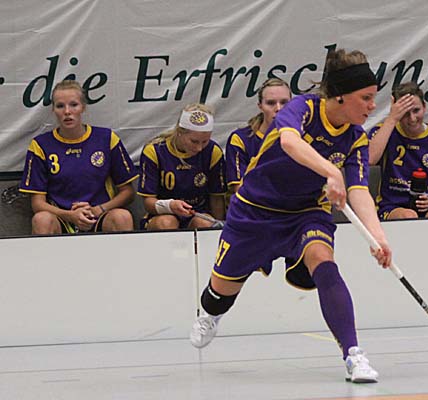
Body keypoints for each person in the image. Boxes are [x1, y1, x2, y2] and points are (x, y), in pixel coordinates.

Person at [189, 49, 392, 383]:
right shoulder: (302, 108)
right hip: (255, 211)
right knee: (218, 295)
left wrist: (377, 237)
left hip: (306, 212)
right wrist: (331, 172)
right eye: (366, 98)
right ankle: (211, 315)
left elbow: (359, 191)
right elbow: (289, 143)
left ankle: (353, 354)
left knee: (324, 262)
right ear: (340, 96)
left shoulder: (356, 139)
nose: (372, 106)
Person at [19, 80, 138, 234]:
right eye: (60, 106)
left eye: (73, 105)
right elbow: (37, 204)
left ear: (83, 107)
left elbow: (128, 192)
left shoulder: (106, 138)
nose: (67, 112)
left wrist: (99, 209)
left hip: (99, 215)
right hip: (61, 217)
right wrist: (69, 215)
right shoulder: (41, 145)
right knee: (41, 219)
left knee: (122, 217)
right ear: (53, 110)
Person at [368, 81, 428, 219]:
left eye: (416, 111)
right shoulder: (385, 131)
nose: (412, 119)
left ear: (424, 107)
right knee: (409, 216)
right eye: (405, 113)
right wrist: (392, 118)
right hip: (392, 206)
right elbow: (370, 159)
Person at [137, 104, 226, 230]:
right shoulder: (155, 151)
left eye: (205, 141)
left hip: (198, 213)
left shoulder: (213, 151)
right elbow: (148, 202)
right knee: (167, 223)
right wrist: (170, 206)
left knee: (205, 223)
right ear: (179, 133)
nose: (199, 148)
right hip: (163, 214)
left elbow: (216, 198)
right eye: (194, 141)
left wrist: (220, 229)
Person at [226, 77, 292, 193]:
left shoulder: (303, 137)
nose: (278, 108)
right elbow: (238, 188)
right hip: (253, 202)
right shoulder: (241, 139)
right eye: (271, 103)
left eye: (284, 102)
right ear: (260, 106)